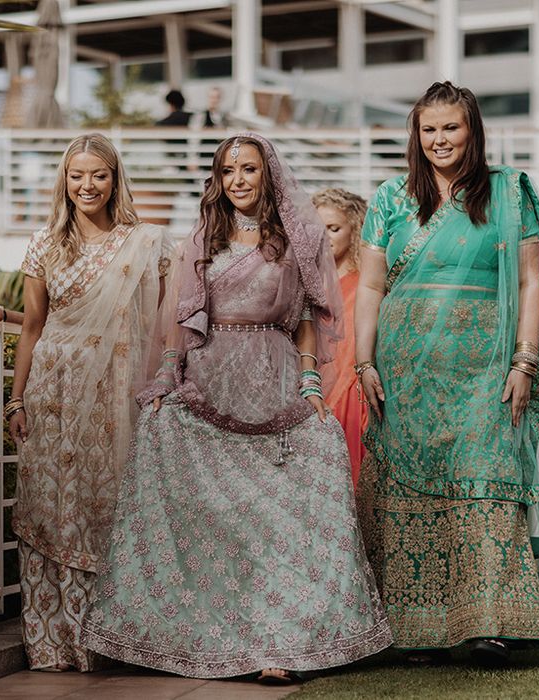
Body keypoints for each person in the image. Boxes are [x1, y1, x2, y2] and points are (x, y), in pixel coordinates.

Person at [81, 133, 392, 683]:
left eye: (248, 169)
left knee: (281, 510)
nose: (239, 180)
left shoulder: (296, 238)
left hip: (273, 377)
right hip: (209, 376)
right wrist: (165, 377)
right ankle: (197, 633)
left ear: (267, 174)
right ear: (218, 180)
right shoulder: (202, 238)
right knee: (194, 491)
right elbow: (180, 317)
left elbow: (304, 320)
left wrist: (311, 383)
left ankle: (284, 638)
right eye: (228, 171)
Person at [354, 81, 539, 666]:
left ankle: (491, 622)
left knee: (484, 482)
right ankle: (408, 628)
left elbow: (528, 280)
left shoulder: (506, 193)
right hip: (404, 367)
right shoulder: (392, 198)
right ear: (415, 135)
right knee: (404, 491)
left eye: (451, 128)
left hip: (484, 369)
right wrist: (363, 361)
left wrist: (524, 359)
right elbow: (371, 286)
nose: (439, 140)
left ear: (472, 131)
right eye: (429, 129)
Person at [8, 133, 172, 672]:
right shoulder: (44, 245)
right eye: (77, 176)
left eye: (98, 175)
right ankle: (54, 641)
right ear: (64, 181)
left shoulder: (144, 244)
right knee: (48, 504)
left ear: (114, 179)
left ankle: (107, 639)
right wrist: (16, 401)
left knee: (104, 504)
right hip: (52, 391)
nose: (87, 186)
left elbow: (172, 317)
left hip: (113, 394)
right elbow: (32, 327)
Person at [312, 188, 369, 487]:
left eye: (333, 228)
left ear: (354, 229)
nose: (325, 237)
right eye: (318, 229)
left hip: (349, 398)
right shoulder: (308, 285)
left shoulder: (364, 286)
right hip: (311, 391)